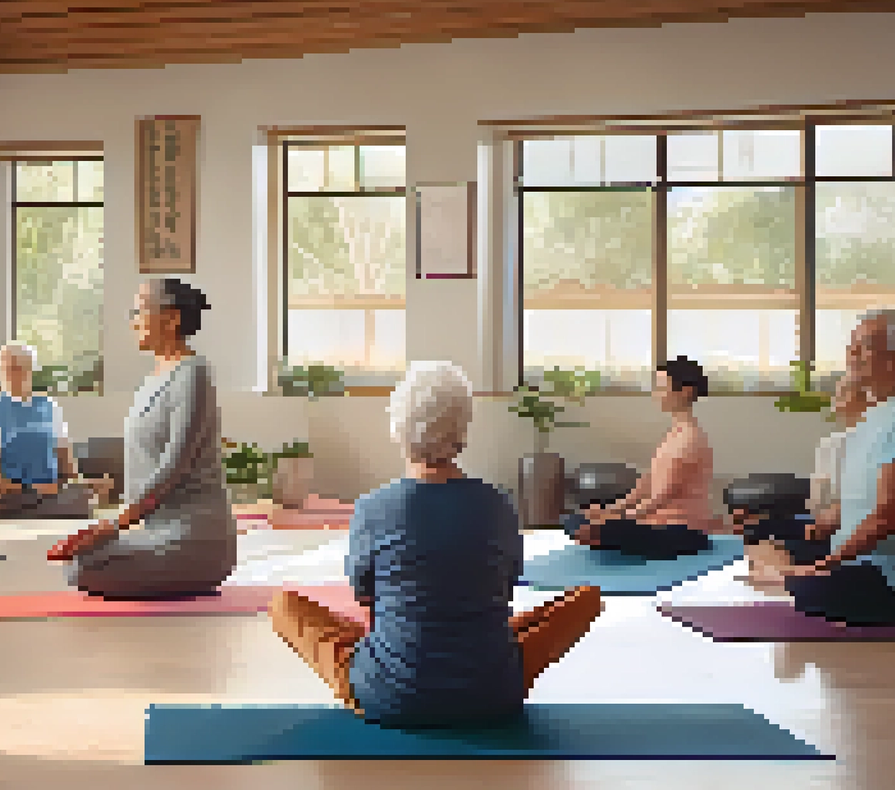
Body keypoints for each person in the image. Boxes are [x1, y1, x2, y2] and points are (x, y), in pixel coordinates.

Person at [268, 362, 604, 728]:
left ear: (398, 427)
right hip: (492, 693)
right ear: (462, 431)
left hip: (390, 696)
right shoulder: (498, 503)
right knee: (585, 600)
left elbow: (365, 596)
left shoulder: (372, 506)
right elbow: (505, 588)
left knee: (284, 606)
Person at [46, 279, 236, 598]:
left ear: (172, 318)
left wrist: (112, 524)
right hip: (155, 531)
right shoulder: (151, 380)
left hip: (195, 535)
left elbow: (172, 468)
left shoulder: (193, 373)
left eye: (139, 310)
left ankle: (197, 569)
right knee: (80, 559)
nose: (133, 320)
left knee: (84, 567)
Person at [781, 310, 895, 625]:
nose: (851, 354)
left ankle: (794, 579)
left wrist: (824, 564)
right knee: (779, 539)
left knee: (803, 586)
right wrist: (820, 529)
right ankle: (791, 576)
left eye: (864, 346)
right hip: (860, 562)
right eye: (851, 346)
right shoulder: (876, 416)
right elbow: (857, 498)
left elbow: (888, 516)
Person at [563, 356, 717, 559]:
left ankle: (604, 536)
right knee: (573, 521)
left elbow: (661, 497)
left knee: (603, 529)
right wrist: (609, 509)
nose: (656, 395)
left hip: (684, 530)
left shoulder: (690, 439)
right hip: (654, 523)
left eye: (662, 388)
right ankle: (604, 535)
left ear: (685, 391)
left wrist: (614, 518)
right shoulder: (673, 435)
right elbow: (647, 483)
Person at [736, 379, 869, 582]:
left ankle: (783, 572)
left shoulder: (846, 443)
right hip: (835, 524)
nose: (834, 399)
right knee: (762, 526)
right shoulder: (838, 442)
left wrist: (820, 524)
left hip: (846, 532)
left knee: (763, 530)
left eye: (841, 394)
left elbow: (841, 506)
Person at [0, 343, 97, 519]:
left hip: (52, 489)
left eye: (17, 368)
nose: (10, 374)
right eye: (5, 369)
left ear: (30, 370)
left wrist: (77, 483)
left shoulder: (49, 406)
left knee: (82, 502)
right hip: (15, 492)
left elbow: (64, 453)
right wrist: (30, 488)